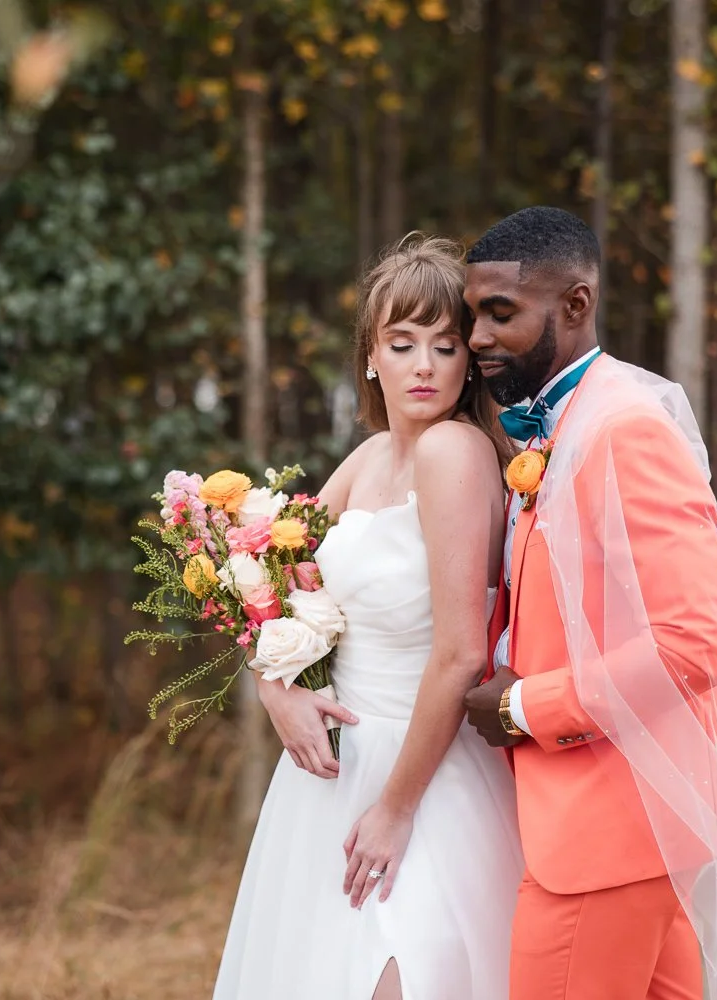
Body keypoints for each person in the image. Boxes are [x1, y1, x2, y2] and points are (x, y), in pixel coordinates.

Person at [462, 206, 717, 1000]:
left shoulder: (625, 429)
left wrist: (525, 706)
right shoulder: (560, 426)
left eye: (499, 312)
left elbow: (694, 642)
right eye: (475, 314)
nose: (476, 335)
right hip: (627, 826)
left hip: (606, 829)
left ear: (575, 305)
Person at [212, 233, 523, 1000]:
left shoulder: (455, 452)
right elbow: (280, 597)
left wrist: (394, 809)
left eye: (445, 346)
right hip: (333, 778)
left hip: (423, 774)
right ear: (371, 357)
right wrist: (277, 688)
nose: (424, 365)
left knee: (402, 975)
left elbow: (460, 657)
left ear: (468, 361)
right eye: (402, 342)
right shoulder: (367, 459)